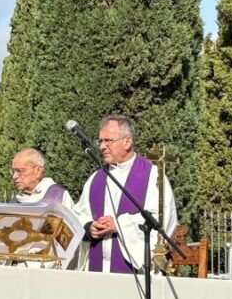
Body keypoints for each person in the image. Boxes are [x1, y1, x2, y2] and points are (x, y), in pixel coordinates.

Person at [73, 114, 177, 273]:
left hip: (135, 272)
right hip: (98, 269)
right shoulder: (96, 178)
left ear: (127, 142)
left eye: (108, 141)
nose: (101, 146)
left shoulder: (152, 177)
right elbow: (79, 214)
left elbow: (162, 219)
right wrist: (89, 227)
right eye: (100, 141)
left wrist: (119, 225)